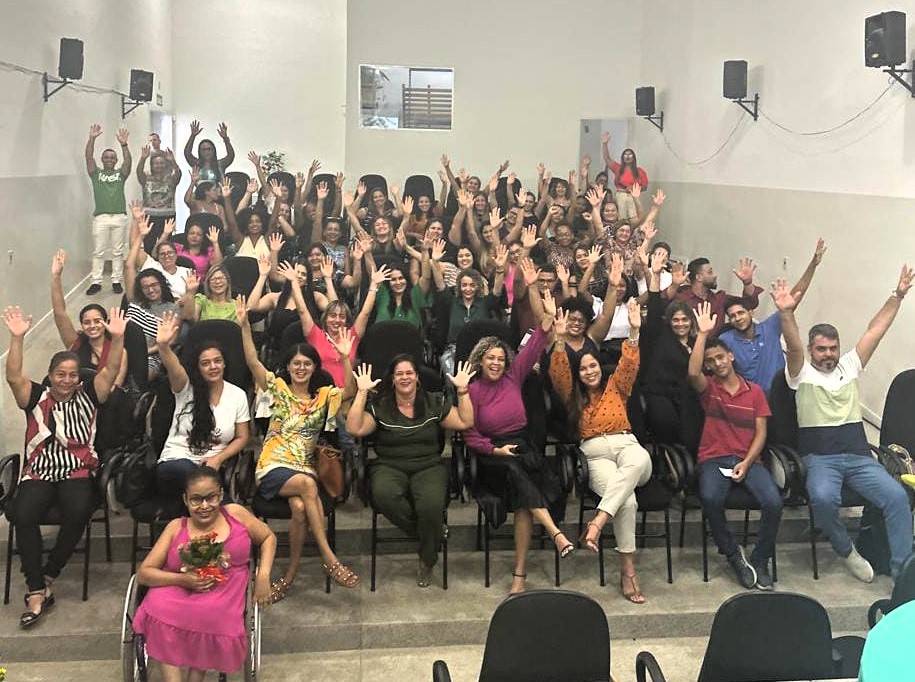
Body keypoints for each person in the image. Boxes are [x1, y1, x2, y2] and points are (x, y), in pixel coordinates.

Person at [778, 269, 915, 580]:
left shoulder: (850, 366)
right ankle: (846, 550)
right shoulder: (800, 373)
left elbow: (876, 329)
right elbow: (793, 345)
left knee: (897, 497)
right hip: (820, 459)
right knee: (823, 499)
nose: (828, 354)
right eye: (821, 349)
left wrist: (897, 296)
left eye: (833, 348)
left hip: (858, 458)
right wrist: (786, 314)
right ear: (811, 350)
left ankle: (903, 574)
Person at [4, 304, 126, 627]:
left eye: (73, 374)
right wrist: (17, 338)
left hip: (77, 470)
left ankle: (48, 575)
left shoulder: (90, 394)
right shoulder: (35, 397)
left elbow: (111, 370)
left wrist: (117, 339)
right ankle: (35, 589)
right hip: (39, 471)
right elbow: (13, 377)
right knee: (22, 514)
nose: (67, 380)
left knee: (78, 511)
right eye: (61, 374)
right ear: (50, 375)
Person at [237, 297, 359, 597]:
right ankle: (329, 558)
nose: (301, 368)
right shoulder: (277, 389)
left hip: (304, 466)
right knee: (306, 486)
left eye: (307, 364)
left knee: (301, 509)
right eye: (296, 364)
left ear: (315, 368)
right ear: (288, 367)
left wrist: (345, 357)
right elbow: (253, 363)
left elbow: (350, 391)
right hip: (273, 465)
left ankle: (289, 576)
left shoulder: (324, 396)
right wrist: (244, 328)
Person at [463, 289, 574, 595]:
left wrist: (548, 316)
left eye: (501, 359)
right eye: (491, 358)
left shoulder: (514, 376)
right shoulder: (471, 391)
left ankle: (519, 575)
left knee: (524, 499)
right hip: (492, 456)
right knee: (514, 473)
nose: (496, 363)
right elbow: (470, 435)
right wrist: (495, 450)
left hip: (522, 448)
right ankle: (554, 533)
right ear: (480, 360)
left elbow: (536, 342)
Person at [548, 303, 653, 603]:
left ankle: (596, 522)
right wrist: (558, 339)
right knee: (627, 502)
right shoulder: (572, 395)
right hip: (594, 456)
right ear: (578, 374)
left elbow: (629, 363)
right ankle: (628, 570)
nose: (589, 371)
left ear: (600, 367)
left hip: (627, 448)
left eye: (593, 365)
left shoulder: (617, 387)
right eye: (583, 368)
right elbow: (558, 373)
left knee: (640, 459)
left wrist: (634, 331)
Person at [133, 466, 276, 682]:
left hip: (224, 588)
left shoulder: (235, 514)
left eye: (211, 498)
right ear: (185, 499)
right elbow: (144, 574)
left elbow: (268, 538)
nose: (205, 506)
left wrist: (263, 575)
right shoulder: (176, 527)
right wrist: (183, 579)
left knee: (209, 614)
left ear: (220, 494)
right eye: (196, 500)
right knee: (159, 608)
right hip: (177, 585)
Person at [346, 357, 475, 587]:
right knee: (384, 495)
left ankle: (427, 559)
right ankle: (432, 534)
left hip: (428, 465)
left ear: (417, 377)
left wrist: (463, 391)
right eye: (399, 374)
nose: (404, 377)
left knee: (430, 505)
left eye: (409, 373)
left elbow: (465, 421)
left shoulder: (434, 401)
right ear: (392, 379)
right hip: (390, 465)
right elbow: (354, 428)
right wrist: (362, 392)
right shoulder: (381, 405)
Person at [688, 301, 782, 590]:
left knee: (774, 503)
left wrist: (747, 462)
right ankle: (733, 554)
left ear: (730, 356)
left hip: (748, 460)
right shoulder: (710, 389)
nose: (717, 363)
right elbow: (692, 373)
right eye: (711, 361)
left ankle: (761, 559)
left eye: (721, 357)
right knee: (710, 499)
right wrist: (702, 335)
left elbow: (761, 434)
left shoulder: (755, 392)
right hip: (714, 459)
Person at [154, 312, 251, 498]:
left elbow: (242, 437)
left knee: (205, 486)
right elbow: (174, 368)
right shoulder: (185, 387)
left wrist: (218, 458)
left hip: (211, 466)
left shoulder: (237, 395)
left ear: (225, 364)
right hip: (176, 462)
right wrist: (163, 347)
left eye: (217, 361)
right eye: (205, 363)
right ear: (198, 367)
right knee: (198, 481)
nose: (213, 367)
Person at [719, 239, 826, 394]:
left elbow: (794, 297)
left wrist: (813, 265)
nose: (738, 318)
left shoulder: (769, 328)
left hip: (781, 395)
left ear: (751, 313)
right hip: (750, 400)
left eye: (741, 313)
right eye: (732, 316)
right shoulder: (726, 340)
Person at [641, 252, 704, 453]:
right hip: (660, 394)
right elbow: (654, 306)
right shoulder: (660, 336)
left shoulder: (696, 342)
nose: (680, 324)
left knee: (695, 430)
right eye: (676, 320)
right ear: (669, 321)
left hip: (687, 396)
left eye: (684, 320)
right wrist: (655, 274)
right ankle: (667, 460)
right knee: (666, 424)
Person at [50, 249, 128, 385]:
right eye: (87, 322)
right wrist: (56, 276)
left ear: (106, 323)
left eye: (97, 321)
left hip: (103, 396)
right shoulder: (75, 343)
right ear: (82, 325)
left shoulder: (118, 351)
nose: (92, 326)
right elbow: (59, 313)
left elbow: (115, 386)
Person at [85, 123, 131, 295]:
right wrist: (92, 139)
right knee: (98, 251)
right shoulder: (95, 173)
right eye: (106, 157)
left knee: (118, 252)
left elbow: (128, 162)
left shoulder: (121, 174)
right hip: (101, 217)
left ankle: (116, 280)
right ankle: (96, 282)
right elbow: (88, 157)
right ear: (102, 160)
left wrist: (124, 145)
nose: (109, 159)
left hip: (119, 216)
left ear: (116, 160)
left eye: (112, 157)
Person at [668, 256, 762, 336]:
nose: (715, 276)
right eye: (710, 272)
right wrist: (674, 285)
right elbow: (662, 303)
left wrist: (747, 283)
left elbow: (750, 303)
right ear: (699, 277)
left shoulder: (720, 298)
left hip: (715, 348)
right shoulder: (681, 297)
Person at [136, 142, 181, 251]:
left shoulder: (171, 179)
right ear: (152, 165)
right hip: (149, 216)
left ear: (165, 165)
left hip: (167, 215)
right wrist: (143, 158)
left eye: (162, 163)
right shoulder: (146, 178)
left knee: (166, 244)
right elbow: (139, 172)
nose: (159, 165)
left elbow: (178, 173)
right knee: (149, 243)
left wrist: (173, 161)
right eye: (156, 163)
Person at [601, 132, 648, 221]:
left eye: (630, 154)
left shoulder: (640, 171)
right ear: (622, 157)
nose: (627, 156)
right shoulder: (618, 168)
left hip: (634, 197)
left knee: (634, 219)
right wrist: (604, 144)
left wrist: (634, 189)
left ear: (633, 157)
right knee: (621, 219)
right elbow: (607, 159)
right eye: (625, 154)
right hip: (621, 196)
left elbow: (645, 187)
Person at [183, 119, 235, 186]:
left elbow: (231, 156)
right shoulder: (196, 164)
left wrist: (225, 139)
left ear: (214, 150)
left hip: (217, 192)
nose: (206, 152)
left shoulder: (220, 164)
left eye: (209, 149)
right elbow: (187, 154)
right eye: (203, 150)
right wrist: (192, 136)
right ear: (199, 151)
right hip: (199, 192)